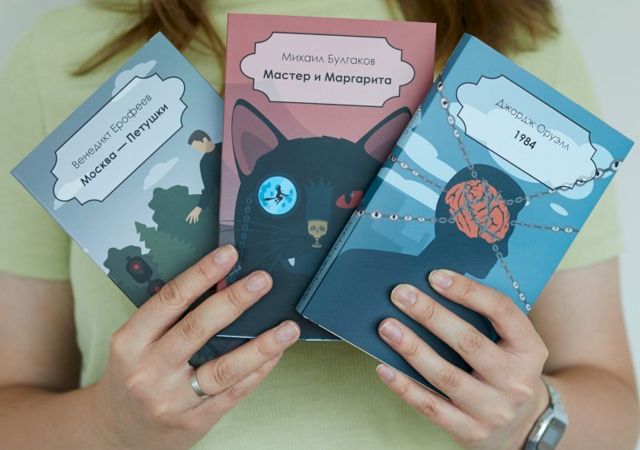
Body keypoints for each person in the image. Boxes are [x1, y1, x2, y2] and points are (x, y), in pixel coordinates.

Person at [0, 1, 637, 450]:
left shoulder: (515, 40)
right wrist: (109, 428)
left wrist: (529, 421)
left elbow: (615, 407)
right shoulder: (68, 53)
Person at [185, 130, 221, 224]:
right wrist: (199, 207)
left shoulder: (224, 145)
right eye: (195, 148)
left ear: (205, 140)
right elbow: (209, 187)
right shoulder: (204, 163)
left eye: (197, 146)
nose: (198, 150)